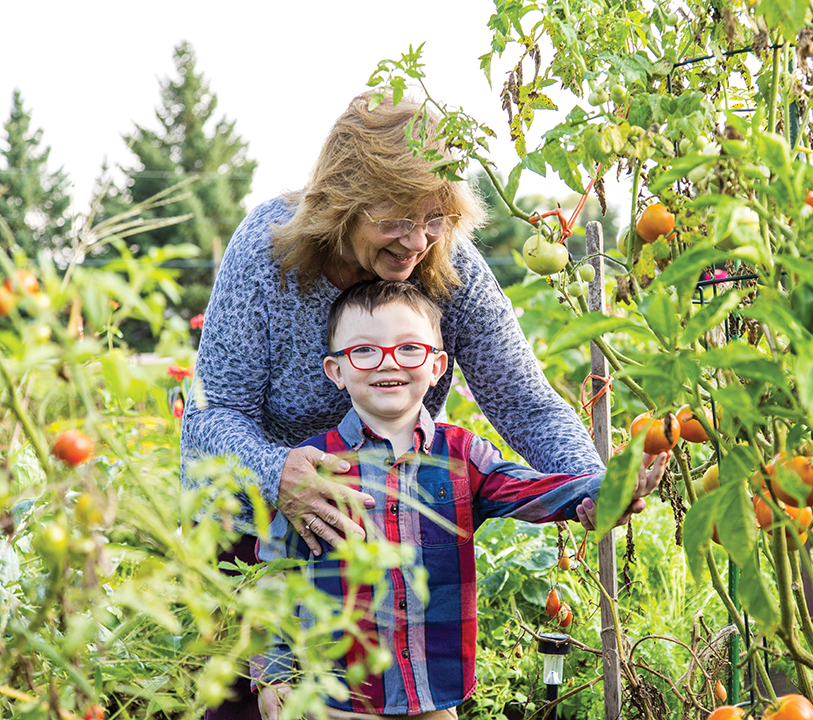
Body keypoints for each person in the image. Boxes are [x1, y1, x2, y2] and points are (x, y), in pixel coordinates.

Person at [180, 90, 639, 717]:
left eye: (436, 218)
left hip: (388, 527)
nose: (418, 240)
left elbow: (525, 403)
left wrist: (591, 485)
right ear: (341, 205)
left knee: (398, 698)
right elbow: (211, 415)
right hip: (261, 534)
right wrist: (274, 470)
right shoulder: (267, 253)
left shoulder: (451, 268)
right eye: (396, 219)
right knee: (249, 703)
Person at [249, 280, 670, 719]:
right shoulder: (316, 471)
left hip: (435, 696)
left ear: (437, 367)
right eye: (364, 351)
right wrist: (271, 673)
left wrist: (609, 488)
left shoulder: (463, 455)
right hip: (340, 701)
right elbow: (277, 574)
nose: (387, 362)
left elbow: (530, 490)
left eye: (409, 348)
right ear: (336, 370)